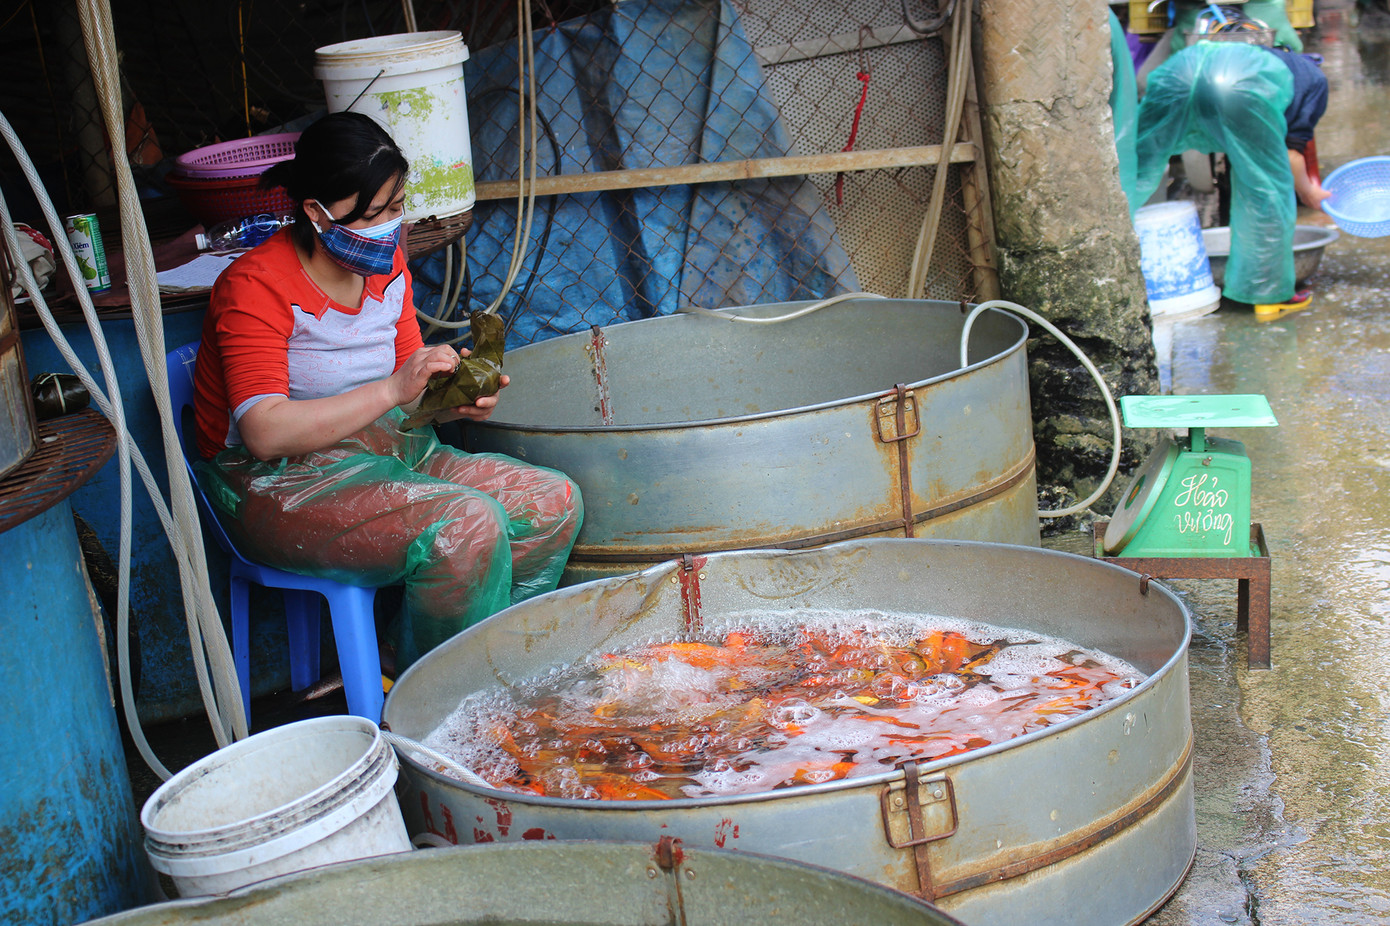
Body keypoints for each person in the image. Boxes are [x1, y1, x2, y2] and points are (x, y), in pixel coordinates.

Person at [192, 111, 583, 669]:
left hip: (390, 448)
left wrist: (453, 399)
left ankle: (464, 661)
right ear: (316, 212)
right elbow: (264, 432)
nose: (391, 226)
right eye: (376, 214)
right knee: (466, 524)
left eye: (398, 207)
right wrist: (393, 388)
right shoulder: (254, 286)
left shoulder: (385, 261)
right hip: (281, 483)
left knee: (552, 502)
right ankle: (435, 693)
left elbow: (410, 392)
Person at [1133, 39, 1330, 312]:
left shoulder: (1262, 55)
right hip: (1239, 86)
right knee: (1265, 189)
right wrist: (1310, 192)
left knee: (1135, 164)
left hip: (1178, 71)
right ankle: (1268, 296)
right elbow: (1291, 155)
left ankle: (1106, 257)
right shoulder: (1315, 83)